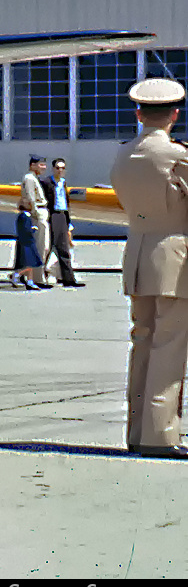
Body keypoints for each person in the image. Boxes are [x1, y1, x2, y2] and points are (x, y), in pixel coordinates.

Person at [111, 78, 188, 458]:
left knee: (141, 343)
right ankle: (161, 436)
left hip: (138, 257)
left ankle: (137, 432)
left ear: (138, 113)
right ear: (175, 115)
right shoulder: (177, 156)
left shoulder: (124, 155)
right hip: (174, 261)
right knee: (169, 348)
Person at [39, 157, 84, 287]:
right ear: (53, 169)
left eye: (63, 168)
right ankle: (41, 276)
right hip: (53, 215)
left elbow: (66, 202)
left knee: (63, 247)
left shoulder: (63, 183)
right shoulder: (47, 182)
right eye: (58, 168)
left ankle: (68, 279)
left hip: (63, 215)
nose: (60, 170)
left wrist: (68, 221)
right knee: (49, 247)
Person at [12, 155, 51, 288]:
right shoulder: (29, 179)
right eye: (41, 164)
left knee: (41, 248)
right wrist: (35, 214)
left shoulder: (35, 179)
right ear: (32, 165)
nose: (44, 167)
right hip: (37, 214)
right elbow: (31, 198)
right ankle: (37, 279)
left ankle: (29, 276)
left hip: (40, 212)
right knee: (39, 248)